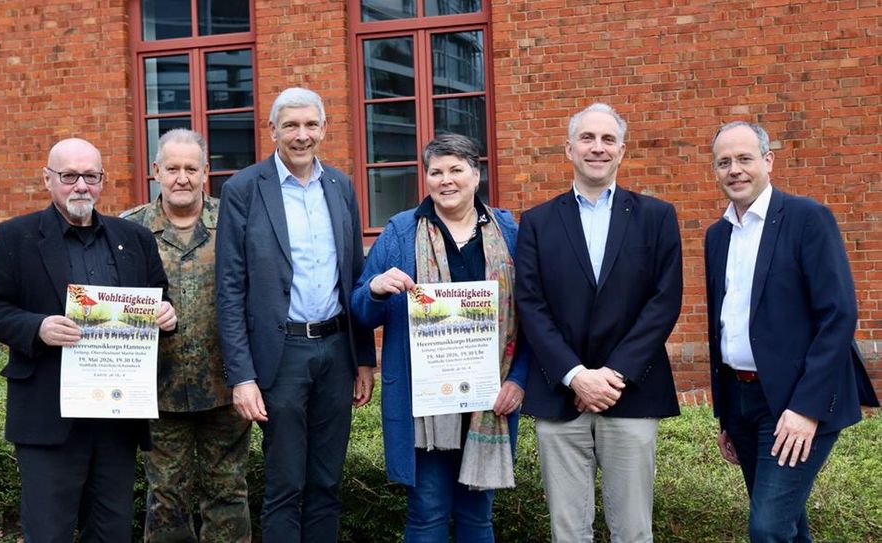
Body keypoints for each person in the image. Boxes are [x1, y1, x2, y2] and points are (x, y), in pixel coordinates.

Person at [0, 138, 177, 542]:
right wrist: (37, 328)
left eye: (90, 176)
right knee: (49, 533)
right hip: (49, 418)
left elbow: (160, 298)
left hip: (116, 418)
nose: (80, 185)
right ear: (48, 179)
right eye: (69, 176)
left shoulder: (133, 238)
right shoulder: (15, 237)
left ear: (103, 181)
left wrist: (167, 316)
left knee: (112, 531)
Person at [515, 103, 683, 543]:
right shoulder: (536, 222)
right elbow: (531, 306)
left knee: (633, 530)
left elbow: (664, 303)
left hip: (631, 393)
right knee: (568, 532)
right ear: (569, 148)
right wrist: (575, 376)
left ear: (622, 150)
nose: (597, 148)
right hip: (559, 396)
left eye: (608, 139)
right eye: (587, 138)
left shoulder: (657, 217)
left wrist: (612, 374)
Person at [215, 87, 376, 543]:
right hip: (280, 354)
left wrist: (364, 357)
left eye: (310, 125)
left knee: (326, 482)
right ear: (273, 130)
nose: (301, 135)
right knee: (285, 483)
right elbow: (229, 288)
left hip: (336, 351)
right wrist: (241, 376)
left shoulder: (340, 186)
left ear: (324, 128)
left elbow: (355, 276)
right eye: (290, 125)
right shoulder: (244, 189)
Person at [705, 121, 878, 542]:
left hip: (794, 400)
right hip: (741, 399)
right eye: (724, 162)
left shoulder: (806, 218)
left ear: (768, 161)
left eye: (745, 159)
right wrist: (727, 414)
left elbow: (838, 315)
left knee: (768, 528)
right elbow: (723, 324)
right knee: (787, 525)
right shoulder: (717, 235)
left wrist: (807, 409)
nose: (735, 170)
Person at [352, 133, 528, 542]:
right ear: (426, 178)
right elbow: (359, 309)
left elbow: (531, 315)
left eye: (456, 170)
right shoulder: (401, 232)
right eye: (436, 172)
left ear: (476, 174)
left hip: (490, 401)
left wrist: (518, 379)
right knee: (427, 514)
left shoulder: (509, 232)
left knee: (477, 518)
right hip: (426, 404)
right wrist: (376, 287)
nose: (445, 180)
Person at [122, 128, 252, 542]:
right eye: (173, 168)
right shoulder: (129, 229)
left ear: (206, 172)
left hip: (225, 386)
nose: (182, 177)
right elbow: (108, 302)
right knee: (165, 497)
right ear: (156, 171)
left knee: (228, 492)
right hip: (157, 389)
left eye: (191, 169)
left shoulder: (235, 222)